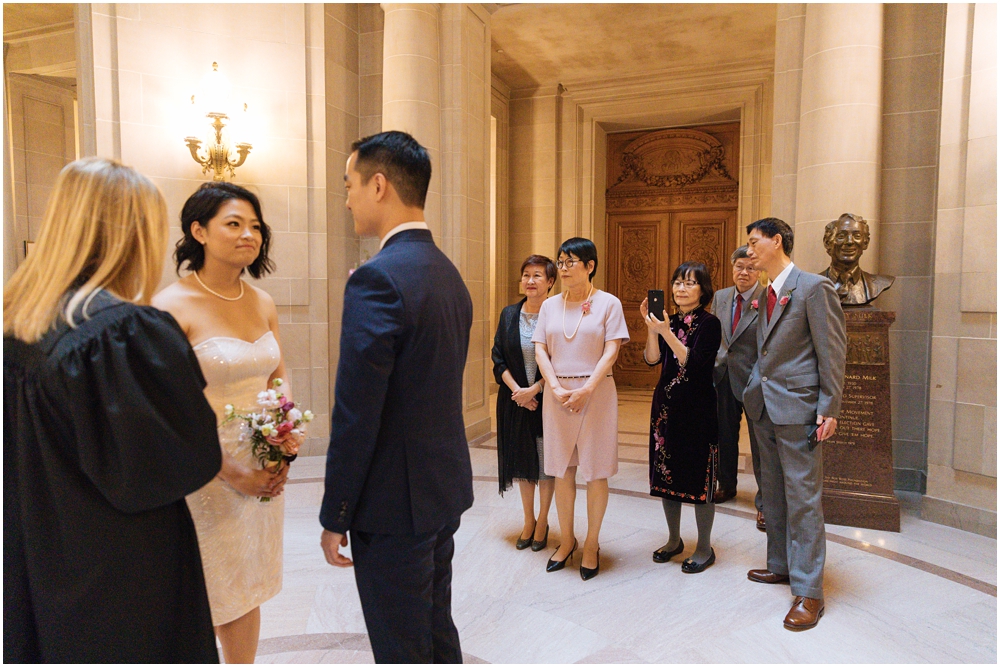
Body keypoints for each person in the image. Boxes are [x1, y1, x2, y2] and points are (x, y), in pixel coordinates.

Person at [3, 157, 221, 662]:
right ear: (133, 235)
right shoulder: (121, 333)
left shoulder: (19, 326)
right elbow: (186, 459)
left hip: (39, 554)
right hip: (122, 570)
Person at [319, 131, 474, 663]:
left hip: (392, 504)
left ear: (379, 185)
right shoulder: (448, 273)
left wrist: (335, 511)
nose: (347, 199)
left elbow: (357, 410)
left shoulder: (378, 279)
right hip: (440, 489)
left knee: (401, 648)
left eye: (350, 185)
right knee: (434, 631)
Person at [152, 181, 297, 663]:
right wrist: (232, 472)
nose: (248, 235)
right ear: (198, 230)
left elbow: (278, 373)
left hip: (262, 465)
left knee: (247, 587)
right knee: (210, 588)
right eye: (234, 224)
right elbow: (167, 408)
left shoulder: (262, 302)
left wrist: (285, 436)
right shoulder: (171, 306)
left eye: (255, 226)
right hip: (206, 472)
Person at [742, 217, 847, 631]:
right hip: (765, 407)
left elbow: (832, 350)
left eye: (754, 243)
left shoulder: (812, 288)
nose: (749, 251)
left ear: (778, 241)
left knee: (803, 498)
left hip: (800, 407)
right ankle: (780, 565)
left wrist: (829, 406)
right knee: (773, 493)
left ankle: (810, 593)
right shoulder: (765, 291)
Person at [532, 237, 629, 581]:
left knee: (596, 470)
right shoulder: (549, 306)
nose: (564, 268)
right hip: (558, 395)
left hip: (597, 393)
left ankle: (591, 543)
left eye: (571, 262)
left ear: (590, 266)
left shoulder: (608, 303)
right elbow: (541, 349)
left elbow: (612, 350)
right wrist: (555, 386)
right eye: (560, 262)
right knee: (561, 470)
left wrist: (587, 388)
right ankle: (567, 539)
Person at [640, 262, 722, 573]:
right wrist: (653, 330)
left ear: (703, 290)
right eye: (677, 282)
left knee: (700, 479)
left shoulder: (710, 324)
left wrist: (668, 333)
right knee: (666, 476)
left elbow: (695, 364)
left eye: (689, 283)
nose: (680, 288)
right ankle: (674, 539)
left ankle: (704, 547)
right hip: (665, 409)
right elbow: (652, 359)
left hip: (698, 411)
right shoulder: (667, 320)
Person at [492, 255, 557, 551]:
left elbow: (563, 362)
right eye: (526, 275)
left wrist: (536, 390)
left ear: (550, 282)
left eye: (537, 276)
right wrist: (519, 392)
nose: (530, 281)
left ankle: (543, 520)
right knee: (522, 463)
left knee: (545, 465)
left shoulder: (557, 315)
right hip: (515, 400)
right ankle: (528, 520)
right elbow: (498, 358)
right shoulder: (508, 315)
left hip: (548, 402)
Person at [711, 245, 767, 531]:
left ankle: (766, 505)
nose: (744, 273)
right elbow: (713, 336)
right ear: (732, 268)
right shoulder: (720, 297)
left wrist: (760, 377)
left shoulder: (768, 298)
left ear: (759, 271)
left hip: (755, 380)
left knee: (761, 446)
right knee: (724, 436)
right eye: (739, 267)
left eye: (750, 268)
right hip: (722, 376)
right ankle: (727, 485)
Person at [818, 212, 894, 306]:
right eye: (841, 236)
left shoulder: (880, 283)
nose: (849, 242)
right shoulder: (812, 285)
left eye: (857, 236)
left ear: (865, 242)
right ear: (827, 243)